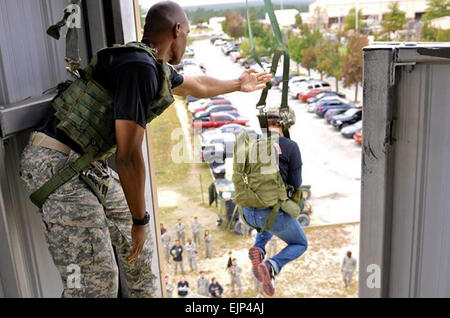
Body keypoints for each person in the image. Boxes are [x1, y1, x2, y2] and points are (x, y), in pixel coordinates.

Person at [18, 0, 270, 298]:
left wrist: (238, 83)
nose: (186, 41)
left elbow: (197, 84)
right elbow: (127, 156)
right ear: (177, 30)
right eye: (187, 33)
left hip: (81, 165)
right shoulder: (138, 68)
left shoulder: (149, 64)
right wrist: (140, 220)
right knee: (96, 285)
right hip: (56, 166)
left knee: (140, 249)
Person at [242, 107, 308, 297]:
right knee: (300, 243)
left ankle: (259, 249)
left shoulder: (252, 142)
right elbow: (296, 183)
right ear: (284, 124)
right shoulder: (290, 146)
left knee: (267, 224)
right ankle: (272, 265)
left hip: (247, 211)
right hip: (270, 213)